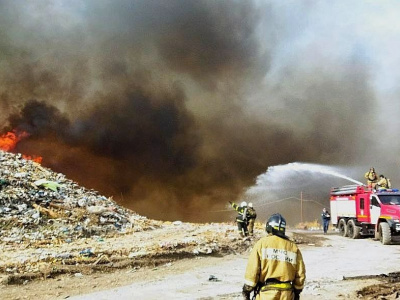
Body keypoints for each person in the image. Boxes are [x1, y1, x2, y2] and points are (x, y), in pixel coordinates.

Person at [242, 213, 306, 300]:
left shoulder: (262, 244)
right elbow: (300, 273)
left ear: (269, 227)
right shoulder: (293, 247)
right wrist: (297, 291)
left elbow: (253, 270)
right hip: (287, 294)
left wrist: (247, 290)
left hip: (266, 294)